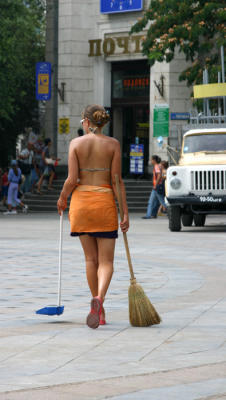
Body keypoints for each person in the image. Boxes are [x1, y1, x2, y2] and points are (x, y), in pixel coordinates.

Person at [57, 104, 129, 329]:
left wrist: (62, 199)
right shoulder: (113, 145)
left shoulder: (76, 144)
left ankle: (99, 309)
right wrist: (125, 212)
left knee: (90, 259)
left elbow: (71, 179)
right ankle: (100, 299)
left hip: (81, 205)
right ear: (102, 122)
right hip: (104, 203)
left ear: (86, 122)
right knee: (106, 261)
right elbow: (117, 180)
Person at [142, 155, 167, 219]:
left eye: (151, 160)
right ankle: (153, 214)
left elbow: (158, 175)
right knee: (156, 202)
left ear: (154, 160)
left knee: (156, 202)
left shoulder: (156, 166)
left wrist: (155, 185)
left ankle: (148, 215)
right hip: (159, 185)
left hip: (157, 186)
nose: (150, 161)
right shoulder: (159, 166)